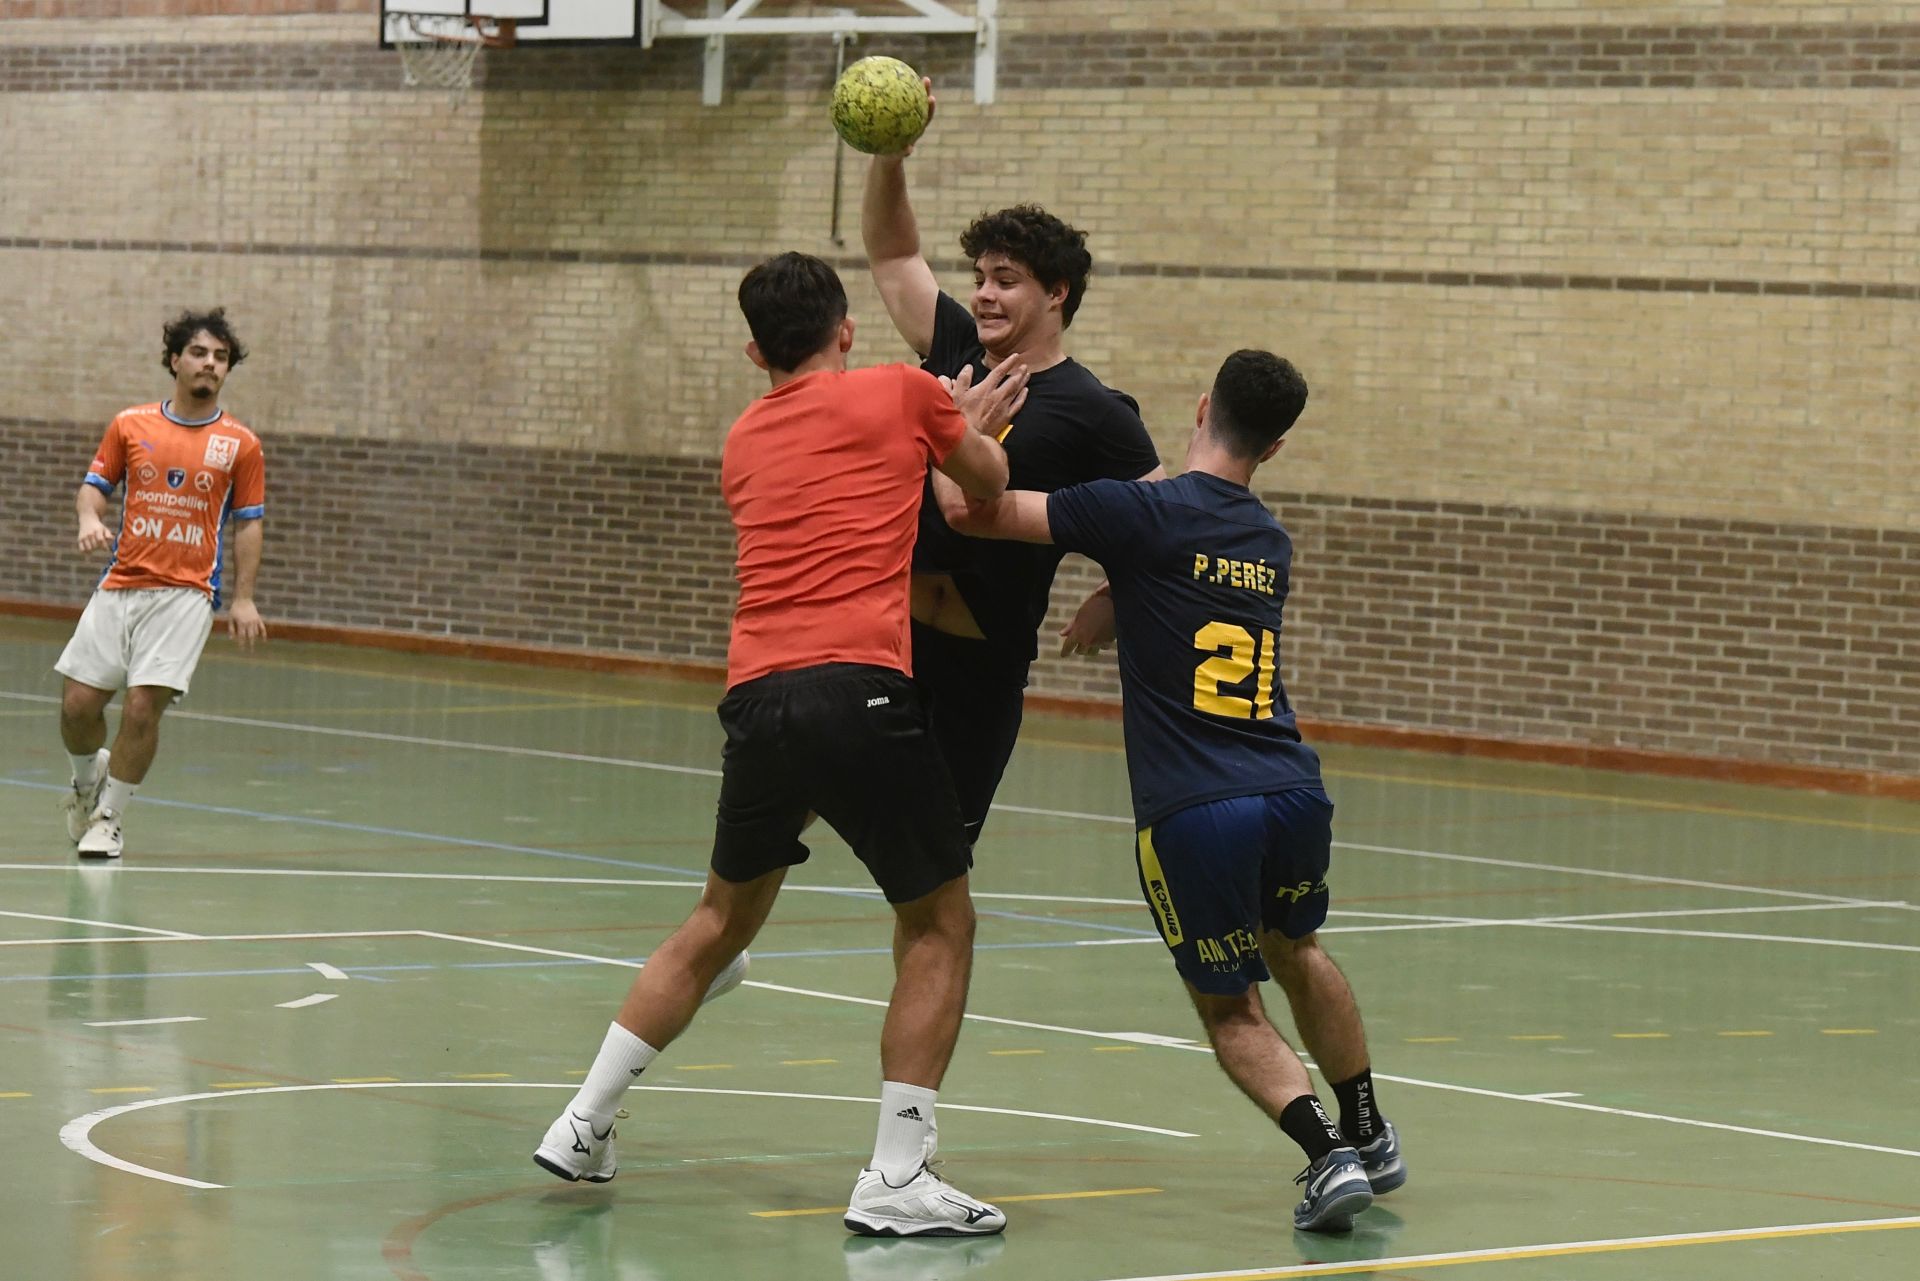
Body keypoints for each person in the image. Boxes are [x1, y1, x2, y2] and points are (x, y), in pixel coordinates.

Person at [533, 252, 1025, 1239]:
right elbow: (987, 482)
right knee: (940, 925)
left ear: (755, 350)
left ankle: (583, 1120)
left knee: (720, 921)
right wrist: (965, 425)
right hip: (863, 692)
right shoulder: (900, 391)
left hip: (757, 699)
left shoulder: (742, 440)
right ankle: (898, 1172)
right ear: (847, 330)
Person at [941, 350, 1406, 1233]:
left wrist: (954, 433)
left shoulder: (1136, 509)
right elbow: (1190, 579)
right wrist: (1115, 595)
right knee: (1299, 949)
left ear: (1200, 406)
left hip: (1197, 806)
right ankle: (1370, 1129)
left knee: (1231, 1007)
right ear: (1273, 447)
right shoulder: (1269, 540)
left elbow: (976, 511)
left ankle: (1325, 1155)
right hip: (1291, 787)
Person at [862, 82, 1164, 850]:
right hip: (885, 643)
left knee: (933, 870)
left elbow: (1172, 521)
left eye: (1006, 280)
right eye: (981, 278)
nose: (984, 295)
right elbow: (895, 255)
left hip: (976, 670)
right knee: (787, 805)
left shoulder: (1096, 411)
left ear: (1057, 292)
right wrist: (891, 155)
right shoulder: (959, 348)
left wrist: (1118, 597)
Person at [56, 308, 267, 860]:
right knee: (78, 706)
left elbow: (249, 521)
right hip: (121, 583)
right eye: (200, 353)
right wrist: (88, 519)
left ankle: (111, 817)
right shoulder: (130, 424)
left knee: (142, 709)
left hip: (186, 595)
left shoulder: (240, 444)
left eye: (221, 358)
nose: (210, 365)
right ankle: (85, 784)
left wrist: (242, 598)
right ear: (175, 361)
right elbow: (93, 488)